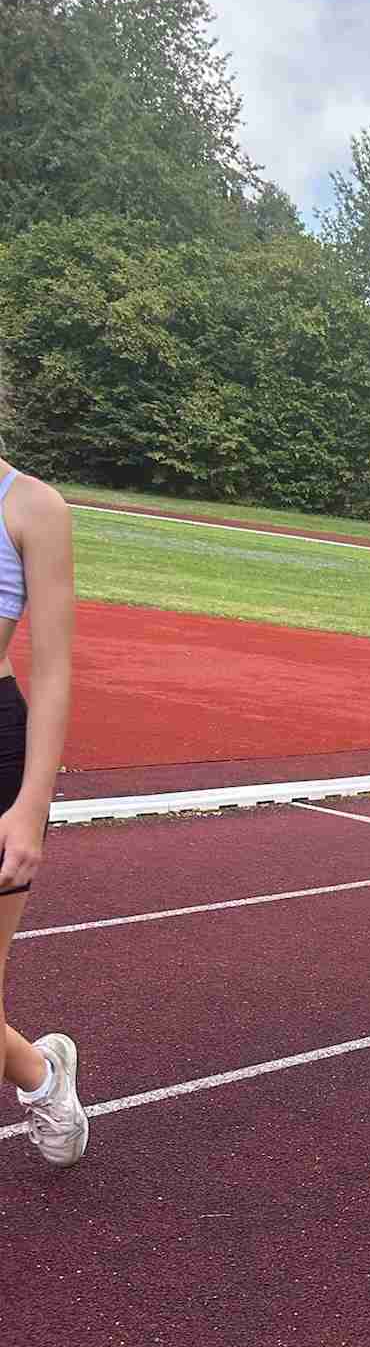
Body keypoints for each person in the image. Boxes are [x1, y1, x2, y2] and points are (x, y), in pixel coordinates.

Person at [0, 457, 88, 1164]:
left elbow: (54, 670)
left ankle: (43, 1078)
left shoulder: (32, 507)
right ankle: (41, 1072)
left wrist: (33, 805)